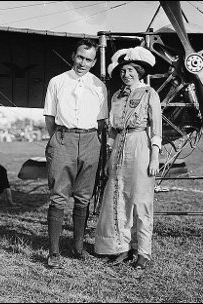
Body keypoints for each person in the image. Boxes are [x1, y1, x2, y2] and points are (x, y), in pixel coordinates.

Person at [94, 46, 162, 270]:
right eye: (123, 71)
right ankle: (121, 247)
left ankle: (143, 251)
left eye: (131, 70)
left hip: (140, 145)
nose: (127, 74)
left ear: (140, 71)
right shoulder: (116, 96)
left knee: (141, 201)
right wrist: (108, 159)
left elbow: (156, 129)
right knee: (117, 199)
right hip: (119, 150)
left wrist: (154, 158)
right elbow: (112, 132)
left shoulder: (149, 93)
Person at [43, 38, 108, 268]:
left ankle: (78, 247)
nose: (83, 63)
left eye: (89, 59)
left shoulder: (100, 86)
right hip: (63, 138)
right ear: (73, 56)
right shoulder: (57, 81)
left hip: (90, 140)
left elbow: (101, 122)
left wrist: (90, 140)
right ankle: (54, 252)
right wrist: (58, 139)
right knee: (59, 196)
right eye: (80, 57)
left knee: (83, 197)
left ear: (94, 62)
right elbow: (49, 118)